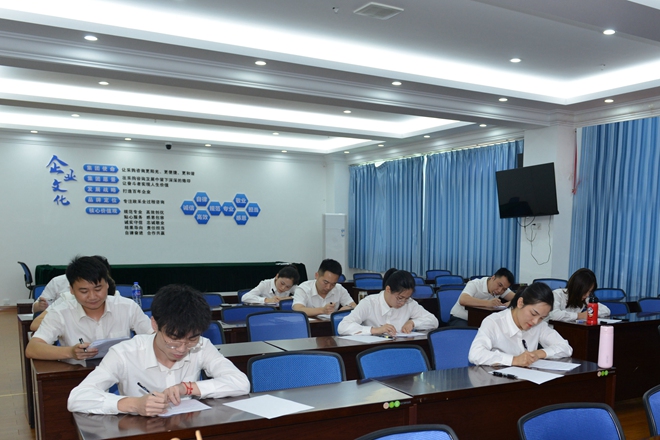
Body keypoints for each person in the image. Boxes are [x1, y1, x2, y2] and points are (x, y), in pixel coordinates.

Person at [68, 284, 250, 416]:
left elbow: (241, 383)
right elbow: (77, 398)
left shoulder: (202, 346)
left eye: (191, 340)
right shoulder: (124, 353)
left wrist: (187, 388)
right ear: (154, 324)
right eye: (173, 340)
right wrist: (134, 404)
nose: (182, 349)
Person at [25, 255, 151, 363]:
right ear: (71, 290)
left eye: (98, 289)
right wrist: (70, 352)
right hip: (78, 376)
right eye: (84, 291)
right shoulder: (60, 312)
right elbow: (32, 348)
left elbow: (153, 336)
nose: (92, 297)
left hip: (122, 375)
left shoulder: (127, 307)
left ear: (107, 284)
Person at [468, 282, 572, 366]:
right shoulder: (494, 322)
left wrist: (537, 354)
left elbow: (566, 348)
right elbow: (475, 354)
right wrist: (514, 360)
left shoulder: (539, 325)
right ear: (520, 303)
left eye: (542, 318)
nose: (535, 321)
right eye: (533, 314)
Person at [338, 269, 438, 336]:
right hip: (373, 351)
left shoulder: (410, 303)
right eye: (400, 298)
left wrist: (413, 323)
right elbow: (343, 326)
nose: (403, 302)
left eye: (406, 298)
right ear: (388, 289)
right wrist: (374, 330)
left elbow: (433, 321)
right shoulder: (369, 303)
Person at [448, 268, 515, 327]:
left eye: (504, 289)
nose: (500, 290)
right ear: (493, 278)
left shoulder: (502, 289)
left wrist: (509, 304)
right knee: (470, 334)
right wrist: (488, 303)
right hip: (461, 319)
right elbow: (463, 300)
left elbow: (518, 298)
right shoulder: (475, 284)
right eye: (499, 285)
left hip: (481, 320)